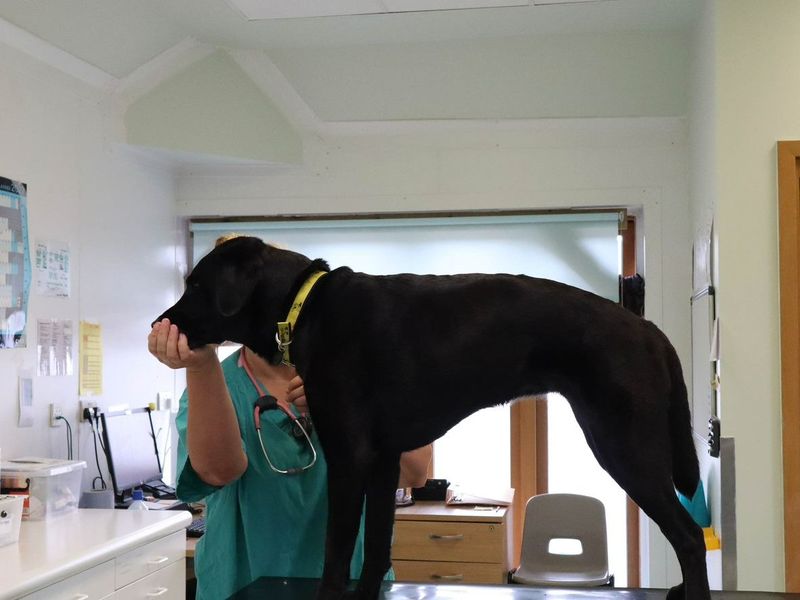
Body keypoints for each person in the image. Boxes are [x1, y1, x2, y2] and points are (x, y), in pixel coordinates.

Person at [148, 317, 432, 600]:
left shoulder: (367, 375)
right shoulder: (214, 383)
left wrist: (348, 404)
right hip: (242, 584)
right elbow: (219, 471)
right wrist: (200, 365)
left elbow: (413, 471)